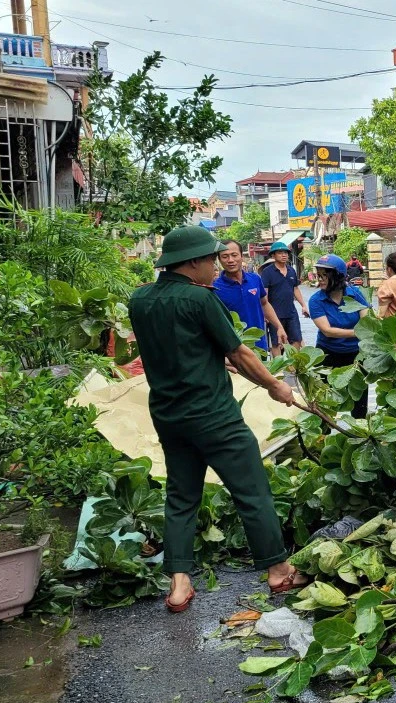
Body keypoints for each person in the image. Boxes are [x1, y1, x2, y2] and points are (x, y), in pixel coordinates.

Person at [128, 226, 307, 613]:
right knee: (251, 490)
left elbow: (180, 348)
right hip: (214, 415)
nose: (215, 265)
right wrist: (276, 386)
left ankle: (178, 584)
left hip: (169, 415)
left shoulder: (140, 300)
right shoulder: (199, 300)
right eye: (210, 259)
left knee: (181, 496)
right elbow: (241, 355)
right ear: (191, 262)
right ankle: (278, 570)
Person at [309, 254, 370, 418]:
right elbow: (327, 330)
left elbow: (367, 321)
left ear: (337, 277)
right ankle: (323, 436)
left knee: (359, 400)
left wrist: (367, 332)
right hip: (328, 354)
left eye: (323, 276)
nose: (319, 280)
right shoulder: (316, 300)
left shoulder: (355, 294)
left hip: (356, 356)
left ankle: (360, 435)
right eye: (318, 275)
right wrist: (358, 333)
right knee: (325, 402)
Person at [213, 240, 286, 354]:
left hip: (260, 345)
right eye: (225, 256)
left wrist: (279, 327)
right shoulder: (215, 288)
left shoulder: (255, 279)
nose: (230, 260)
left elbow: (264, 303)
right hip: (235, 351)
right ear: (219, 260)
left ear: (242, 256)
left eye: (234, 255)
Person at [259, 241, 309, 357]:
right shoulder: (267, 272)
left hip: (291, 312)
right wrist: (265, 314)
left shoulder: (291, 270)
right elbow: (264, 294)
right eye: (280, 253)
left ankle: (292, 368)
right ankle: (279, 369)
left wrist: (303, 305)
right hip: (275, 314)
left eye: (285, 253)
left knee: (296, 339)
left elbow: (295, 289)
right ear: (273, 255)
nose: (284, 255)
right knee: (277, 343)